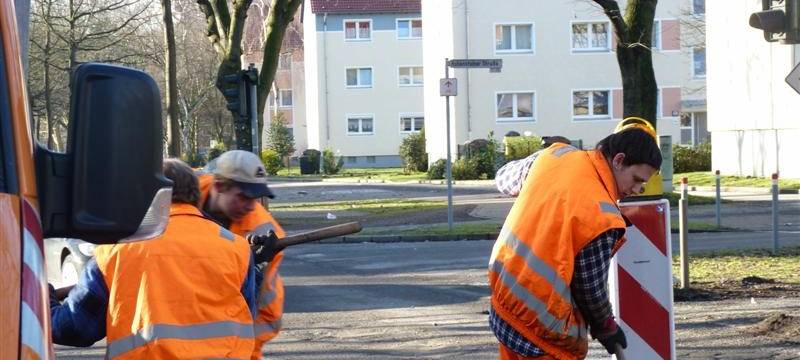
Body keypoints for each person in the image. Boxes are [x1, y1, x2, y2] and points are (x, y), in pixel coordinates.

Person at [50, 159, 258, 359]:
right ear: (195, 196)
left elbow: (74, 328)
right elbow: (245, 316)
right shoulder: (236, 247)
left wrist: (45, 299)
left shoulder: (115, 251)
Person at [488, 126, 662, 359]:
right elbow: (590, 289)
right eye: (637, 180)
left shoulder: (554, 156)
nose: (638, 190)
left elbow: (504, 178)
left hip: (505, 305)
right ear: (619, 160)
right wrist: (607, 326)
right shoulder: (601, 215)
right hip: (543, 331)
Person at [198, 149, 286, 358]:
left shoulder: (265, 233)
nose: (251, 207)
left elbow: (267, 309)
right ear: (219, 186)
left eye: (256, 198)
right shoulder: (179, 196)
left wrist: (247, 353)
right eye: (244, 197)